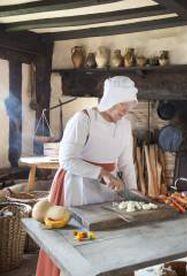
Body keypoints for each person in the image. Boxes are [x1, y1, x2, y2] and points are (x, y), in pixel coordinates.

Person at [36, 76, 139, 276]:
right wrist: (102, 173)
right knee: (79, 242)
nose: (125, 111)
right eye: (121, 105)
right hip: (77, 184)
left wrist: (133, 192)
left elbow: (127, 164)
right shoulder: (83, 119)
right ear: (109, 99)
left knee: (105, 238)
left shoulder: (125, 126)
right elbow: (66, 160)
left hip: (107, 190)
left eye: (128, 106)